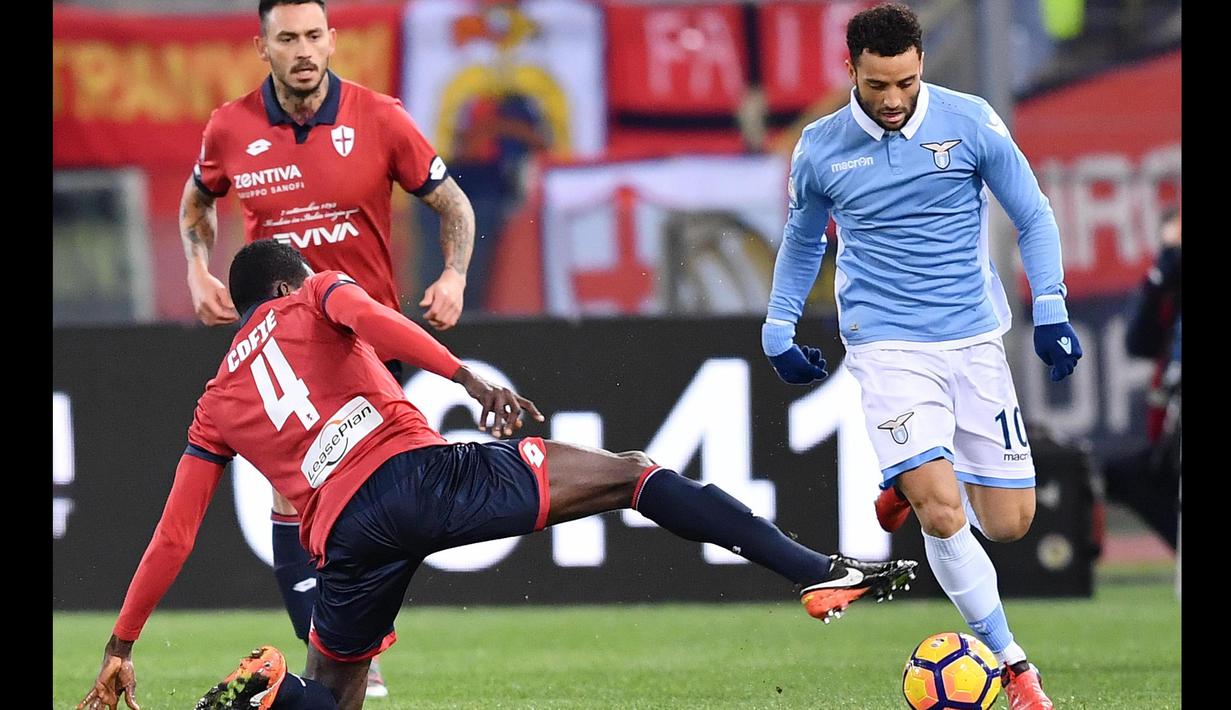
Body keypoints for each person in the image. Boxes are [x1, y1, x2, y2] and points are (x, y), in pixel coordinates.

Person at [79, 240, 918, 710]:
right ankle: (812, 573)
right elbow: (372, 317)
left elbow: (174, 533)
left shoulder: (216, 399)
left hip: (344, 537)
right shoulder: (315, 293)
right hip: (418, 476)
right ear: (288, 281)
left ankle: (262, 698)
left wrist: (121, 643)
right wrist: (465, 378)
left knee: (327, 700)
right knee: (629, 474)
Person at [759, 5, 1081, 709]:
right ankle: (1014, 666)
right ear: (850, 70)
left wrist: (1051, 305)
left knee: (1009, 523)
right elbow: (804, 238)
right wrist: (777, 328)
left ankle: (906, 478)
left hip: (972, 342)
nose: (895, 99)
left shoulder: (969, 121)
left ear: (920, 65)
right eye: (878, 85)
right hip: (886, 347)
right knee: (942, 515)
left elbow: (1030, 212)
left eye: (906, 81)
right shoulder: (819, 148)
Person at [179, 0, 477, 694]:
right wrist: (197, 268)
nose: (304, 49)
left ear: (332, 40)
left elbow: (453, 202)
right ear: (263, 47)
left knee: (377, 502)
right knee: (296, 500)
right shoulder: (230, 127)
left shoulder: (379, 117)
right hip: (284, 348)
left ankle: (344, 649)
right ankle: (337, 655)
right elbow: (198, 203)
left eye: (314, 36)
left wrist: (456, 275)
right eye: (288, 38)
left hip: (365, 341)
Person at [1100, 206, 1181, 549]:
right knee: (1125, 474)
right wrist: (1163, 272)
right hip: (1169, 423)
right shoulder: (1166, 288)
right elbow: (1139, 343)